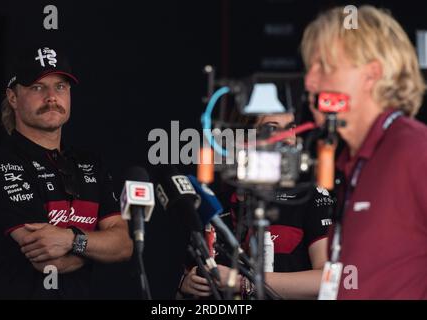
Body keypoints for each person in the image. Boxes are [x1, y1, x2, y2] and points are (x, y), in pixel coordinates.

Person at [0, 45, 133, 299]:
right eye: (37, 87)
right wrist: (99, 247)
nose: (51, 96)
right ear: (13, 97)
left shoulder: (90, 163)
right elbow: (49, 261)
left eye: (60, 86)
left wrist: (72, 240)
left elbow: (125, 245)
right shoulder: (0, 165)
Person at [301, 5, 427, 299]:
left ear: (372, 74)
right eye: (310, 67)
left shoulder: (414, 149)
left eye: (324, 66)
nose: (310, 81)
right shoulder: (352, 163)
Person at [178, 112, 333, 300]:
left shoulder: (309, 196)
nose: (287, 138)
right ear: (245, 138)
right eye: (272, 128)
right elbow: (186, 283)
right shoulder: (216, 204)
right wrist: (185, 285)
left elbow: (327, 280)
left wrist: (242, 282)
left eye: (291, 128)